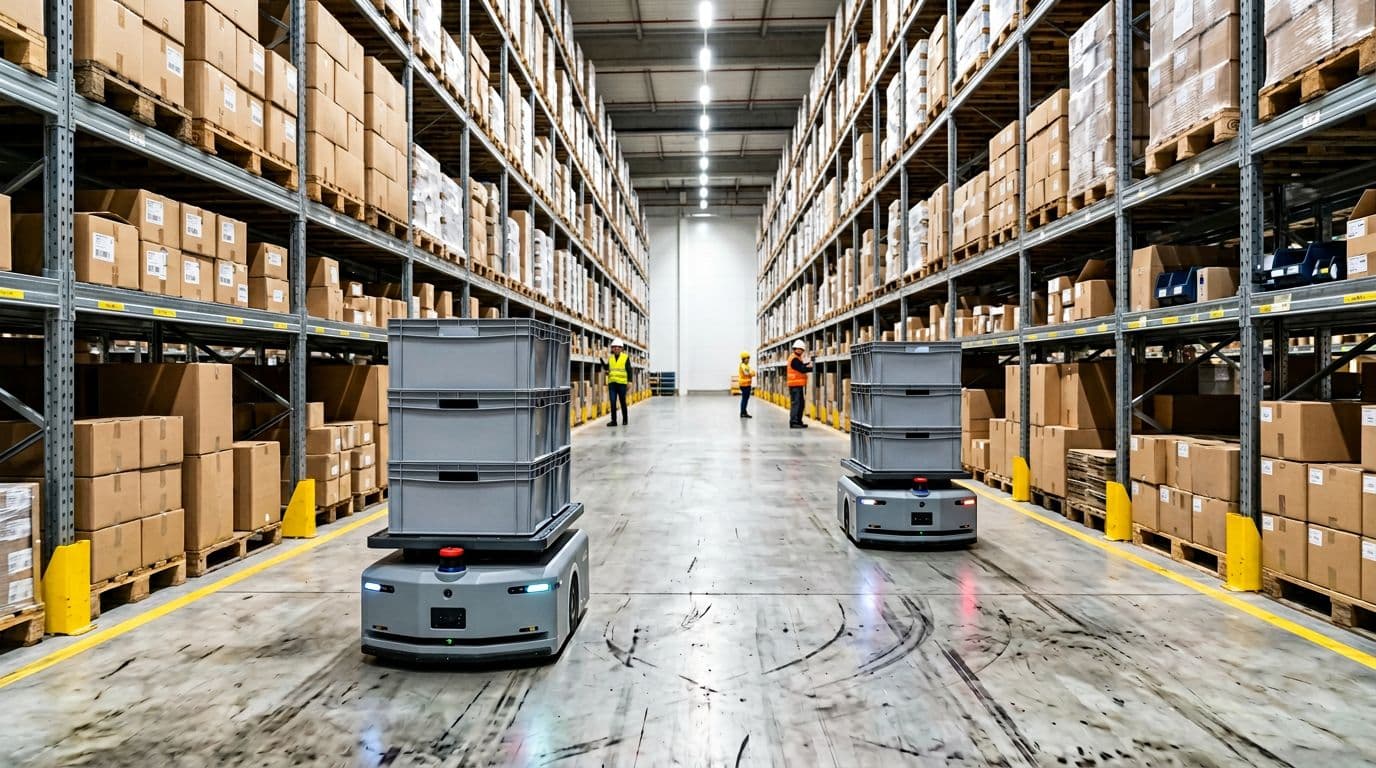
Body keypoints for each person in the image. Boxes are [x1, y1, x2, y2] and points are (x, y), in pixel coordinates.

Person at [605, 339, 631, 427]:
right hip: (612, 383)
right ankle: (614, 421)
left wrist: (630, 381)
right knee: (612, 402)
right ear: (612, 348)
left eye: (618, 347)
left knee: (622, 401)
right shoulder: (610, 358)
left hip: (622, 383)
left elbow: (629, 370)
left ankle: (625, 420)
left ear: (621, 348)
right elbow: (609, 369)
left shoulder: (625, 357)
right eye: (614, 347)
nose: (616, 348)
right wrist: (607, 371)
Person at [787, 340, 813, 429]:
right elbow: (801, 368)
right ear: (795, 349)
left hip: (798, 385)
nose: (801, 351)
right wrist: (810, 368)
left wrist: (808, 365)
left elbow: (801, 365)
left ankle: (798, 421)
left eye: (802, 350)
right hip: (795, 386)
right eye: (799, 349)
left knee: (800, 404)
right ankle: (794, 422)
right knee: (796, 404)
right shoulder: (794, 359)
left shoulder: (797, 358)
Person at [738, 351, 754, 419]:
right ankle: (743, 413)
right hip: (744, 385)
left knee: (745, 399)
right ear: (743, 359)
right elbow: (749, 373)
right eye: (747, 358)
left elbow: (751, 372)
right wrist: (752, 373)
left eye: (748, 358)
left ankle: (744, 412)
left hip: (747, 385)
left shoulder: (746, 365)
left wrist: (752, 372)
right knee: (744, 399)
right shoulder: (743, 366)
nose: (748, 360)